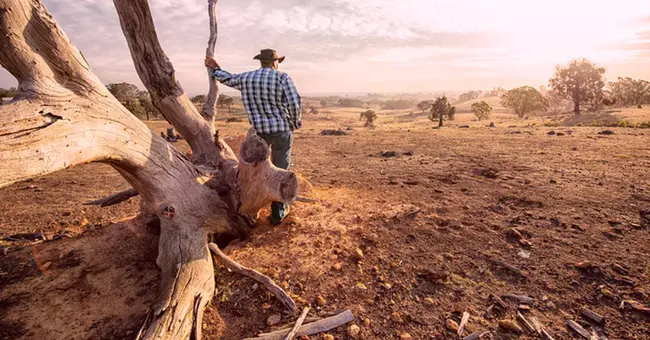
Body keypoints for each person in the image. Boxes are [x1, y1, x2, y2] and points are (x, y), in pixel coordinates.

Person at [204, 49, 302, 225]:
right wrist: (295, 122)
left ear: (261, 62)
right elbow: (295, 101)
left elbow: (226, 78)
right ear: (274, 63)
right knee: (281, 167)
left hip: (259, 133)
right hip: (281, 130)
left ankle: (250, 205)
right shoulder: (282, 77)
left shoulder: (247, 78)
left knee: (258, 170)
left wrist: (213, 68)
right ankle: (278, 213)